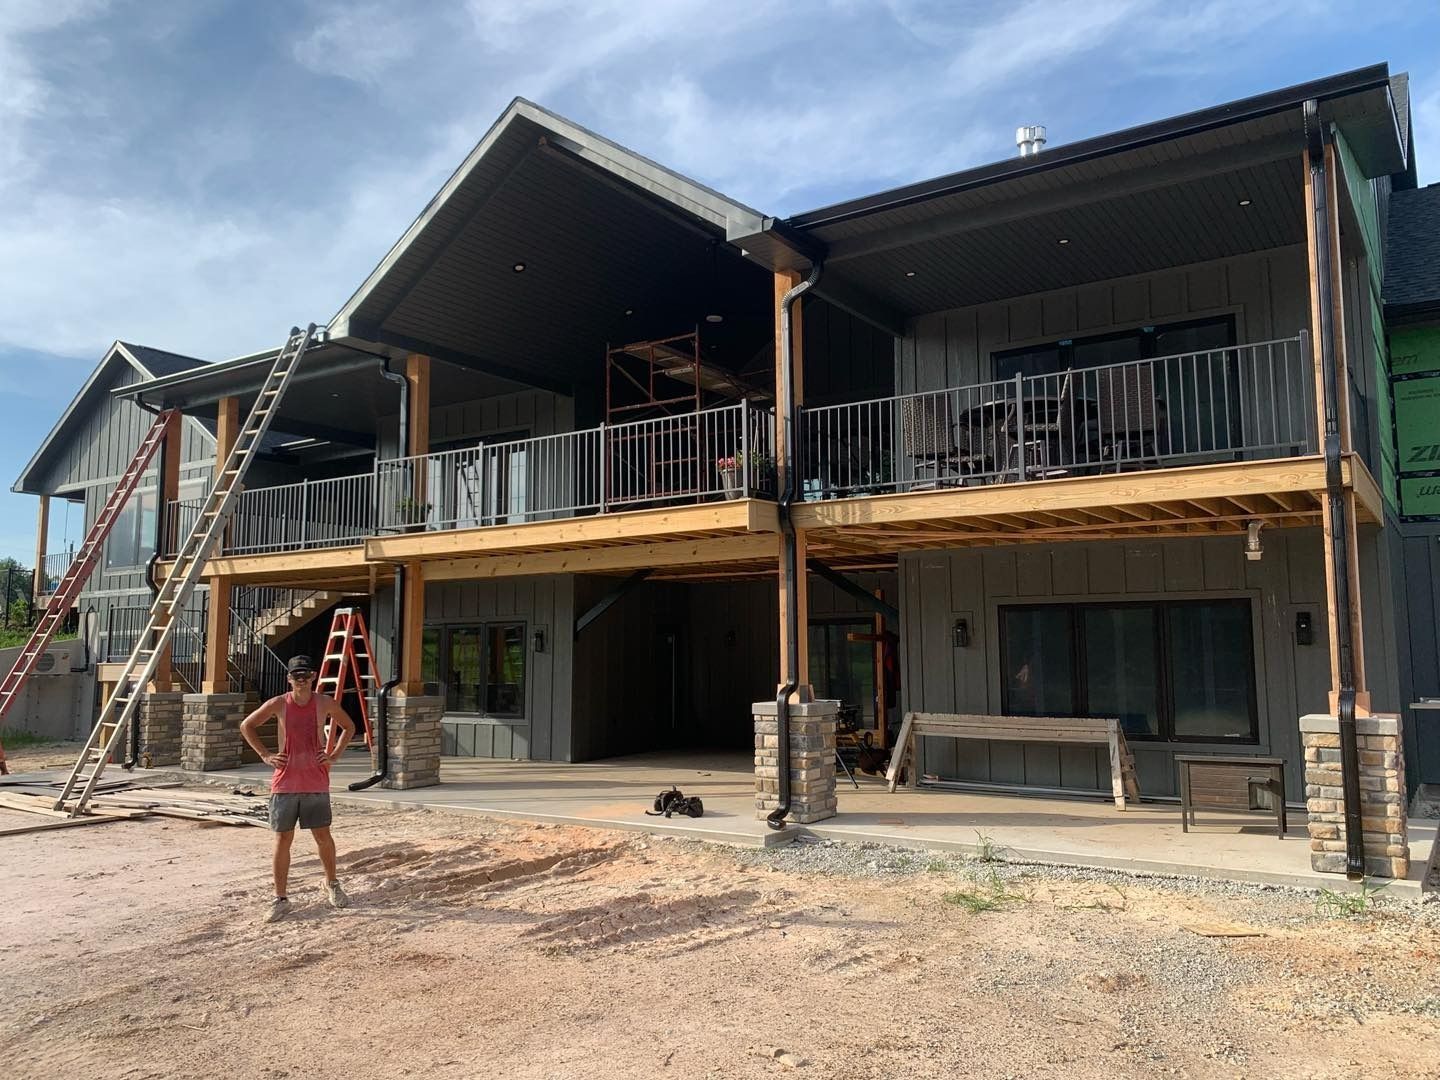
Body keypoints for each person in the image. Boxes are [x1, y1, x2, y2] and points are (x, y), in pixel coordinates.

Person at [239, 654, 355, 923]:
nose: (301, 681)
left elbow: (349, 726)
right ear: (289, 679)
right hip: (285, 782)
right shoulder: (279, 703)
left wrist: (334, 755)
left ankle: (332, 884)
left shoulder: (324, 703)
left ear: (313, 677)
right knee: (282, 840)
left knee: (323, 836)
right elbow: (247, 725)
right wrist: (265, 755)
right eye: (296, 676)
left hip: (315, 780)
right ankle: (280, 898)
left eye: (306, 676)